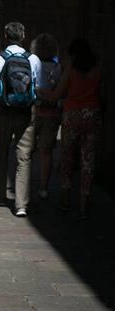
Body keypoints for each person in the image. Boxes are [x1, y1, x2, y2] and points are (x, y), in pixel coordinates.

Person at [0, 22, 42, 217]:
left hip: (3, 112)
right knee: (24, 158)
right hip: (25, 112)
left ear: (6, 37)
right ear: (23, 36)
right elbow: (39, 88)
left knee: (1, 154)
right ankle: (21, 204)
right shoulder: (34, 59)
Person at [37, 38, 101, 220]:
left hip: (72, 115)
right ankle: (84, 202)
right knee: (88, 159)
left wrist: (39, 91)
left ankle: (65, 198)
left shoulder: (71, 70)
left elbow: (56, 94)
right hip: (92, 115)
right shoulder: (98, 70)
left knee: (67, 155)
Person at [30, 33, 62, 200]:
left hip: (33, 110)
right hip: (51, 112)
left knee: (27, 151)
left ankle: (25, 184)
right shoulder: (58, 68)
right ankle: (43, 187)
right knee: (46, 152)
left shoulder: (32, 63)